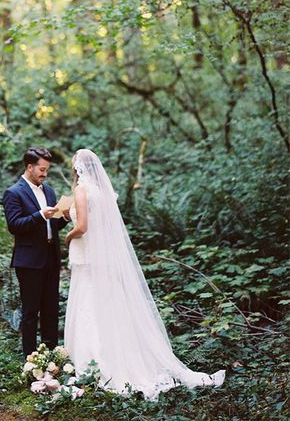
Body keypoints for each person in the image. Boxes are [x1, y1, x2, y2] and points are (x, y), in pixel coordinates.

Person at [64, 148, 225, 401]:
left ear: (78, 169)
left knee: (89, 308)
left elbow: (83, 227)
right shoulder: (102, 192)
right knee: (107, 308)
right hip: (100, 260)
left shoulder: (81, 190)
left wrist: (68, 236)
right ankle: (119, 358)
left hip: (87, 261)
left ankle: (93, 365)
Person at [3, 147, 70, 357]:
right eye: (41, 169)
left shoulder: (49, 191)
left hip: (51, 257)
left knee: (51, 310)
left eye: (47, 169)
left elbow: (52, 225)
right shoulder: (13, 193)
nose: (44, 173)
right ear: (29, 167)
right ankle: (31, 359)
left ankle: (51, 357)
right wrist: (40, 215)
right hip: (29, 261)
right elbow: (14, 225)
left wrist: (64, 218)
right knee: (31, 311)